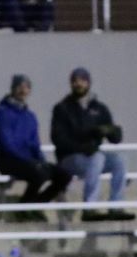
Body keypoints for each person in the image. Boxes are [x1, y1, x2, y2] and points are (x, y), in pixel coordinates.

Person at [51, 67, 132, 222]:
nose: (78, 84)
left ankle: (116, 206)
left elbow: (116, 138)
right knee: (97, 158)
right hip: (69, 158)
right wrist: (82, 147)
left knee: (119, 160)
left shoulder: (99, 108)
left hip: (92, 157)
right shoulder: (62, 108)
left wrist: (109, 131)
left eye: (82, 80)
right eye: (75, 81)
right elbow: (59, 139)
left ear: (88, 83)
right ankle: (90, 207)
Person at [0, 75, 70, 204]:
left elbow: (35, 144)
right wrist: (33, 162)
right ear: (13, 89)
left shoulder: (30, 116)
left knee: (64, 176)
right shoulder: (3, 114)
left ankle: (37, 204)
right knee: (39, 174)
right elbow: (6, 145)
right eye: (19, 87)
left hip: (30, 161)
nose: (23, 91)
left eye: (26, 87)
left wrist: (42, 161)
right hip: (9, 161)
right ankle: (24, 207)